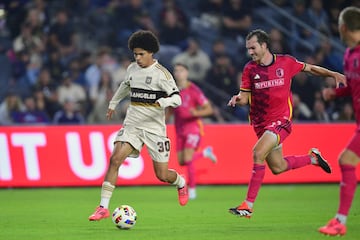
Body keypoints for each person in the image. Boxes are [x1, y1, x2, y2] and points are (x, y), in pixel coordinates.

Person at [227, 29, 346, 218]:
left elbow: (311, 69)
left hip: (281, 121)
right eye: (248, 49)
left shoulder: (286, 62)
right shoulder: (250, 69)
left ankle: (247, 205)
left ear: (264, 45)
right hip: (260, 124)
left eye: (253, 47)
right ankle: (312, 158)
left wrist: (333, 75)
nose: (250, 52)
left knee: (257, 152)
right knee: (278, 167)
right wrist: (237, 99)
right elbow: (245, 97)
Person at [88, 30, 188, 221]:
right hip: (132, 125)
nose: (138, 57)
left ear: (151, 53)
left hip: (154, 130)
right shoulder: (132, 69)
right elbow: (125, 85)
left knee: (162, 175)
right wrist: (113, 103)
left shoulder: (162, 74)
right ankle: (103, 207)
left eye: (141, 54)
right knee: (115, 159)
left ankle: (181, 182)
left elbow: (177, 99)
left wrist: (164, 102)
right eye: (135, 54)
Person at [318, 6, 360, 236]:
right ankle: (340, 221)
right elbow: (353, 87)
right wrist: (336, 94)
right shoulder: (349, 55)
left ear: (343, 27)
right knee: (346, 161)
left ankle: (340, 221)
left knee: (346, 160)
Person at [168, 63, 217, 200]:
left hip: (192, 128)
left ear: (187, 73)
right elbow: (171, 109)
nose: (178, 73)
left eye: (181, 70)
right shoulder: (173, 90)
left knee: (188, 159)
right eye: (176, 71)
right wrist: (163, 121)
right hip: (179, 128)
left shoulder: (194, 90)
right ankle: (205, 153)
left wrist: (196, 112)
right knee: (182, 161)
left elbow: (209, 109)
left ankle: (192, 190)